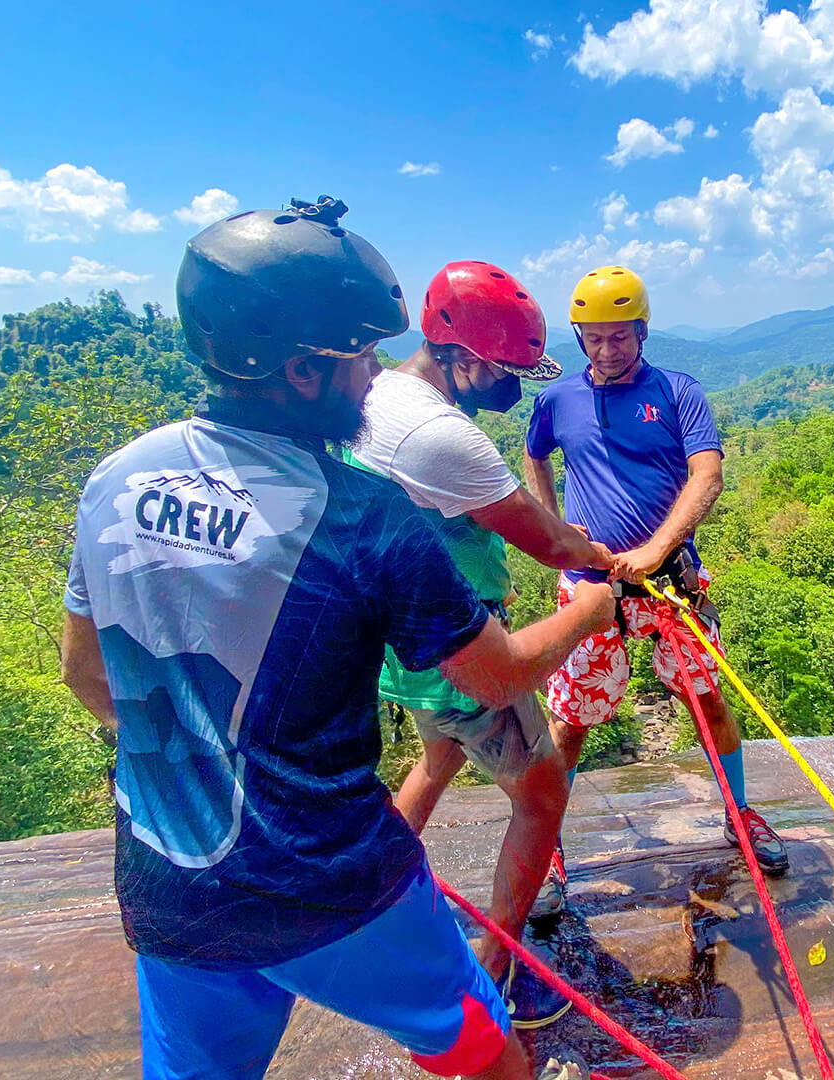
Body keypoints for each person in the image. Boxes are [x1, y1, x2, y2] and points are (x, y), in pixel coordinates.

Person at [60, 197, 610, 1080]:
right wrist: (590, 608)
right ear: (305, 369)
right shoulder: (361, 516)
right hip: (332, 882)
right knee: (486, 1055)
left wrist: (212, 769)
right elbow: (494, 676)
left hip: (170, 882)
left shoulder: (120, 476)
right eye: (360, 356)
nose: (372, 375)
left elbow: (88, 675)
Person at [343, 260, 613, 1028]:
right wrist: (595, 580)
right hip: (459, 649)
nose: (514, 387)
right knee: (542, 790)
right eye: (504, 371)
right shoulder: (442, 436)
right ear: (461, 357)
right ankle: (497, 968)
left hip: (398, 643)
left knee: (437, 759)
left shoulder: (380, 395)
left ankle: (363, 897)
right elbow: (549, 545)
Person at [523, 265, 792, 905]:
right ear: (580, 338)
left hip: (671, 584)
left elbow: (708, 476)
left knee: (708, 703)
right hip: (592, 589)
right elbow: (536, 455)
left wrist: (656, 549)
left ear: (642, 332)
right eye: (595, 338)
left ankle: (740, 813)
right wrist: (555, 532)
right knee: (571, 722)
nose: (608, 349)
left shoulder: (677, 392)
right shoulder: (556, 401)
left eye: (621, 336)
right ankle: (546, 846)